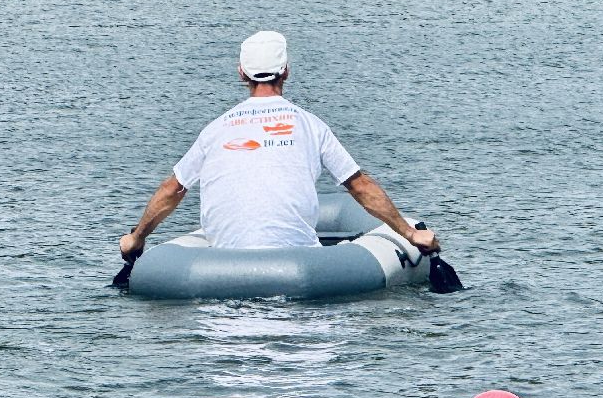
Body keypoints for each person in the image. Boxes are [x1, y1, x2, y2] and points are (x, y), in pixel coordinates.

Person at [118, 30, 438, 260]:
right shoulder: (310, 124)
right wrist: (409, 233)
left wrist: (137, 238)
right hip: (298, 264)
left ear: (241, 73)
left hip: (224, 269)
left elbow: (172, 190)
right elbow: (360, 186)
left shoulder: (214, 130)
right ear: (286, 71)